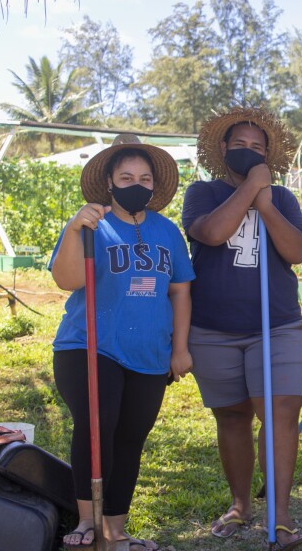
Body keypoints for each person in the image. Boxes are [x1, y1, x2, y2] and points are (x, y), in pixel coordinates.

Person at [51, 135, 195, 551]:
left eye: (145, 178)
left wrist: (180, 348)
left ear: (154, 186)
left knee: (131, 437)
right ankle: (86, 522)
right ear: (110, 182)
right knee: (98, 427)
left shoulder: (167, 232)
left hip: (150, 352)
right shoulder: (93, 225)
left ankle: (115, 530)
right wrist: (74, 226)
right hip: (91, 346)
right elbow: (67, 280)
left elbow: (180, 291)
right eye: (127, 176)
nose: (137, 183)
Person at [182, 107, 302, 550]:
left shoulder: (285, 198)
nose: (248, 152)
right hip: (213, 328)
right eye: (240, 145)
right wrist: (249, 189)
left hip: (276, 327)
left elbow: (295, 251)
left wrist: (266, 201)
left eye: (258, 148)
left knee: (277, 418)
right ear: (223, 149)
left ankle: (280, 512)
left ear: (269, 156)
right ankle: (240, 503)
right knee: (232, 418)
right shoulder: (201, 192)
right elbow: (212, 234)